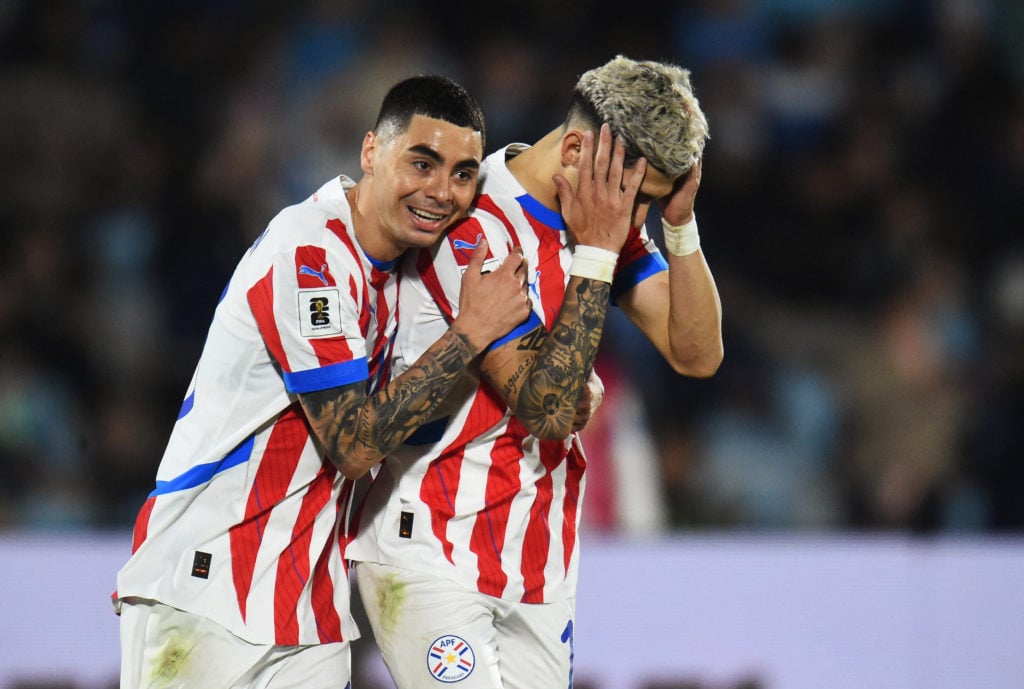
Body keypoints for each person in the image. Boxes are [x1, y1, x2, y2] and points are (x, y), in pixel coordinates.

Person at [111, 74, 535, 689]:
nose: (441, 191)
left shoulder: (400, 270)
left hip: (309, 607)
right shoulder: (309, 251)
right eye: (422, 162)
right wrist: (470, 334)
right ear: (370, 152)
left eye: (463, 174)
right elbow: (355, 445)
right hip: (207, 585)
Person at [348, 55, 721, 688]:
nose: (639, 220)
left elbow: (697, 353)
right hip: (433, 547)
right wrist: (599, 252)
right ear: (578, 149)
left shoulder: (603, 218)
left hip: (538, 561)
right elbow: (548, 411)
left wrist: (679, 225)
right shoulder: (469, 224)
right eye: (642, 199)